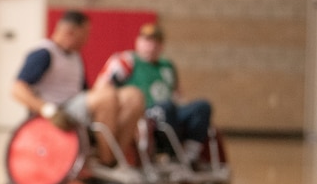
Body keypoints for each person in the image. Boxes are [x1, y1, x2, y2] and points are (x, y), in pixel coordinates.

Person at [11, 10, 143, 166]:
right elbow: (17, 89)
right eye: (85, 34)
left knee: (134, 96)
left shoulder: (75, 57)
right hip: (59, 111)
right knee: (106, 97)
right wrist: (48, 110)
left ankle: (116, 157)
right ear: (70, 32)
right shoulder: (44, 53)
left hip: (77, 107)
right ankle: (107, 162)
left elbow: (86, 92)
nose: (87, 40)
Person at [95, 22, 213, 164]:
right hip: (146, 114)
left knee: (202, 106)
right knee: (165, 106)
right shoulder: (126, 61)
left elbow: (178, 95)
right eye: (147, 41)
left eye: (156, 42)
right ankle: (172, 153)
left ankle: (189, 156)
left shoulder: (167, 66)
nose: (151, 46)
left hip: (170, 114)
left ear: (162, 46)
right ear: (138, 42)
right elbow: (101, 89)